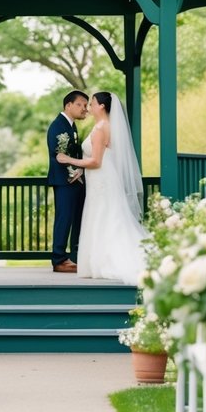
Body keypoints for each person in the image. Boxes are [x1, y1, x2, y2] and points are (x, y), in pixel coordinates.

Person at [56, 91, 147, 283]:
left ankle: (108, 261)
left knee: (104, 217)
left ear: (102, 106)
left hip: (102, 180)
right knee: (106, 217)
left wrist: (68, 159)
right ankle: (101, 260)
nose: (88, 107)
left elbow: (96, 161)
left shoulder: (100, 128)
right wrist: (81, 170)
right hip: (101, 179)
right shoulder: (104, 126)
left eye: (92, 103)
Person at [46, 90, 88, 273]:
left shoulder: (71, 126)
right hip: (65, 181)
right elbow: (59, 156)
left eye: (86, 105)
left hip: (74, 181)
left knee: (75, 218)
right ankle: (59, 259)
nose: (84, 109)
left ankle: (71, 257)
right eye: (80, 104)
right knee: (64, 218)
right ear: (68, 105)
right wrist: (75, 172)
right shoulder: (58, 126)